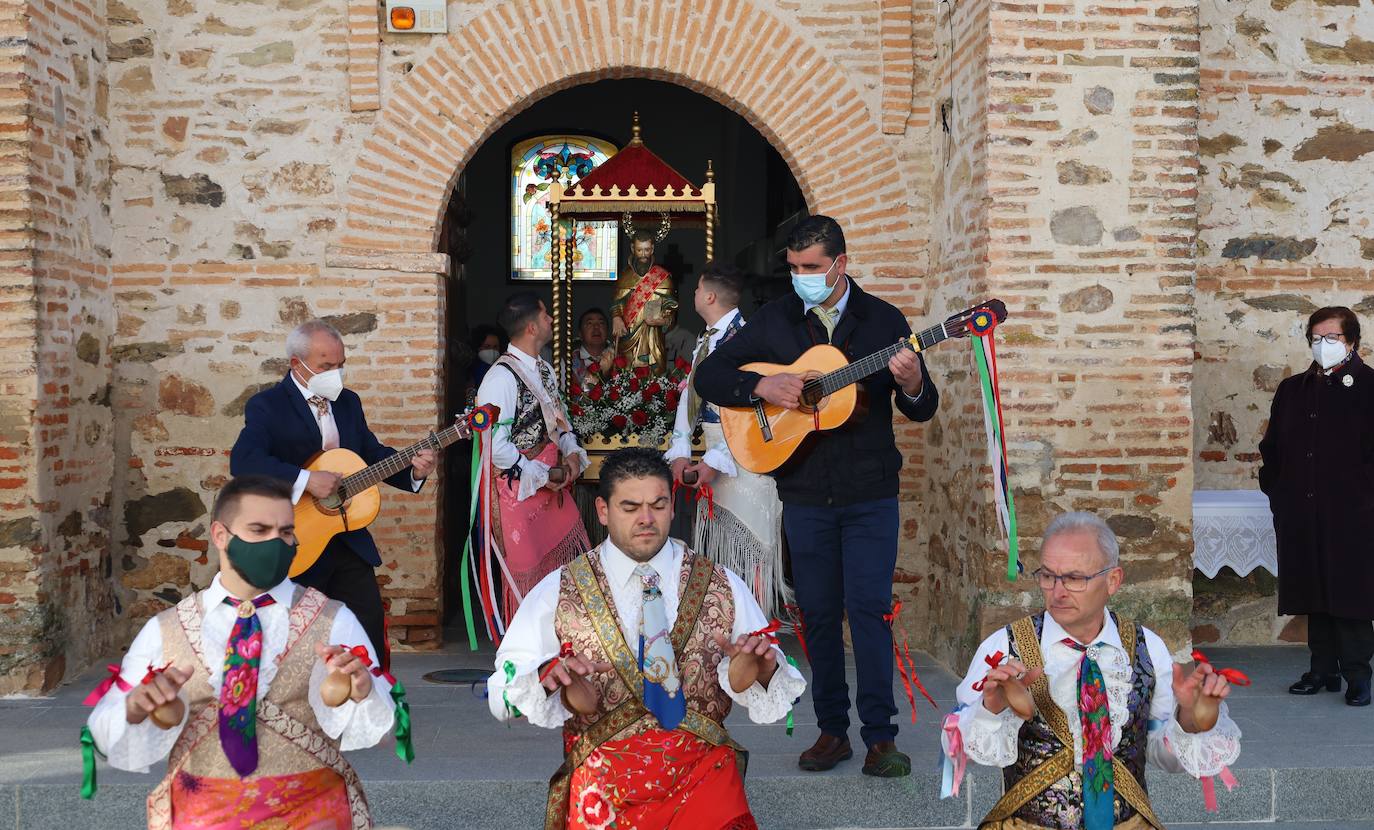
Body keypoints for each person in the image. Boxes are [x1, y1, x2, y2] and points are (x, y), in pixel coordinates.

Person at [694, 214, 939, 777]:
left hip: (870, 492)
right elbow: (712, 376)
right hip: (804, 492)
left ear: (840, 265)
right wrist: (761, 385)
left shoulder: (883, 321)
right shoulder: (774, 320)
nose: (801, 277)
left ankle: (880, 737)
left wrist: (911, 383)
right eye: (794, 268)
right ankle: (832, 731)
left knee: (870, 611)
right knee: (821, 615)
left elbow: (921, 409)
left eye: (812, 268)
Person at [487, 448, 805, 830]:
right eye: (630, 507)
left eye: (658, 505)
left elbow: (776, 687)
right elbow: (501, 694)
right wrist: (544, 675)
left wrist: (765, 667)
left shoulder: (720, 583)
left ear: (673, 507)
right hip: (603, 789)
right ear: (603, 511)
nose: (646, 519)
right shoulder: (559, 590)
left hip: (703, 782)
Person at [85, 475, 395, 828]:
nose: (275, 543)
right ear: (220, 535)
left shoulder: (334, 620)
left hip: (312, 814)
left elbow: (386, 727)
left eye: (285, 532)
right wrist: (134, 707)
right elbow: (103, 735)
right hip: (203, 816)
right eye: (259, 530)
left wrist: (364, 692)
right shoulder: (164, 629)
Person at [945, 512, 1242, 829]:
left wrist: (1191, 718)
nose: (1057, 592)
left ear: (1113, 580)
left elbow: (1163, 755)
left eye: (1074, 578)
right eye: (1048, 576)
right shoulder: (1004, 647)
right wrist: (990, 708)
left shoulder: (1147, 648)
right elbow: (959, 752)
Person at [230, 319, 435, 664]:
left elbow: (369, 456)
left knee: (368, 631)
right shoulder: (268, 406)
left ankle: (371, 703)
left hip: (348, 540)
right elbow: (244, 462)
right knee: (295, 640)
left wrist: (412, 469)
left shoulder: (348, 402)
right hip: (298, 542)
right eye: (326, 366)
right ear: (297, 364)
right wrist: (305, 480)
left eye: (340, 365)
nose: (335, 373)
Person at [1259, 305, 1374, 707]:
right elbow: (1272, 449)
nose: (1323, 344)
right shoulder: (1293, 390)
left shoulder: (1369, 387)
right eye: (1316, 337)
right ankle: (1322, 669)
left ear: (1352, 341)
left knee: (1350, 594)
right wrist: (1278, 493)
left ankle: (1358, 674)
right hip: (1301, 511)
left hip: (1353, 514)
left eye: (1333, 337)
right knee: (1312, 589)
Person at [666, 262, 787, 619]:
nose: (692, 296)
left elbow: (756, 412)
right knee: (718, 550)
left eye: (696, 289)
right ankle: (721, 620)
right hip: (714, 454)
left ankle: (753, 627)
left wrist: (713, 460)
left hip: (746, 456)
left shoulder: (750, 340)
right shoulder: (704, 340)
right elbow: (690, 398)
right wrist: (680, 450)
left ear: (709, 295)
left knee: (747, 547)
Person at [475, 292, 591, 618]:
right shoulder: (500, 377)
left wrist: (570, 455)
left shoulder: (545, 370)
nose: (551, 320)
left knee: (564, 571)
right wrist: (541, 475)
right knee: (527, 582)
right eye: (545, 315)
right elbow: (494, 446)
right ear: (530, 327)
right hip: (519, 493)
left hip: (552, 486)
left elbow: (559, 420)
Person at [611, 228, 676, 372]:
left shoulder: (663, 278)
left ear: (652, 249)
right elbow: (617, 303)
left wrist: (663, 320)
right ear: (633, 248)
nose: (643, 255)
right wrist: (616, 318)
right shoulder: (625, 276)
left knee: (654, 374)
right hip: (629, 334)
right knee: (626, 372)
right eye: (640, 250)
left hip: (653, 338)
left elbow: (671, 311)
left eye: (647, 250)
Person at [571, 307, 612, 383]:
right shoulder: (568, 362)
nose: (596, 327)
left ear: (607, 331)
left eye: (601, 323)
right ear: (580, 333)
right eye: (589, 323)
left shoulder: (616, 358)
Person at [469, 323, 507, 398]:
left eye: (495, 347)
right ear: (478, 347)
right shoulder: (470, 368)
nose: (492, 350)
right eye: (487, 346)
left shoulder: (503, 368)